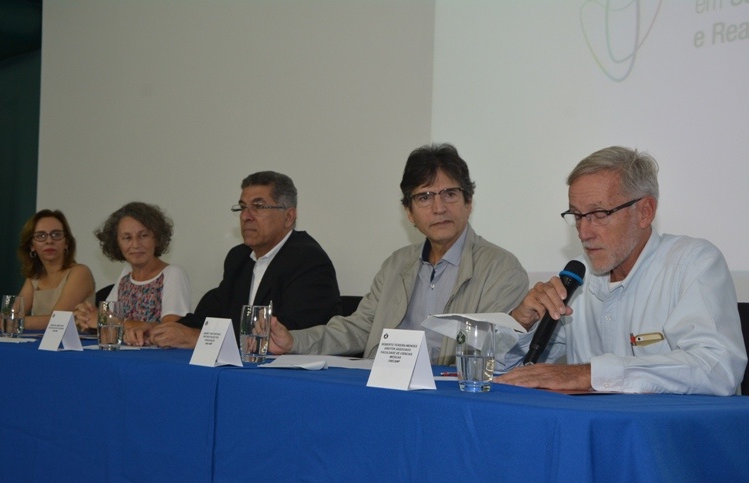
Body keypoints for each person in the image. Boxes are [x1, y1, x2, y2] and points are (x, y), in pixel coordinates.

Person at [496, 146, 747, 396]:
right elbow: (507, 376)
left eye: (598, 214)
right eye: (577, 215)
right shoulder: (576, 277)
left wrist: (590, 374)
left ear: (645, 212)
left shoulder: (693, 263)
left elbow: (718, 368)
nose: (584, 232)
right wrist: (520, 323)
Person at [269, 143, 529, 364]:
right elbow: (359, 328)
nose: (439, 208)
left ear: (468, 203)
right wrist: (294, 341)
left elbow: (489, 354)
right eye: (425, 197)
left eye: (450, 194)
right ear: (409, 212)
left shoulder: (502, 269)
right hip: (386, 390)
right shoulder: (396, 264)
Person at [126, 171, 341, 348]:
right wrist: (157, 328)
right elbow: (212, 314)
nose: (246, 216)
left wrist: (197, 338)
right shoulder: (239, 258)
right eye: (242, 207)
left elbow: (285, 331)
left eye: (258, 206)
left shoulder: (309, 261)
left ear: (288, 216)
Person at [73, 202, 191, 332]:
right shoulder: (126, 273)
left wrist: (106, 320)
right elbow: (103, 320)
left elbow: (170, 331)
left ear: (156, 239)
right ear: (117, 243)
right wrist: (86, 316)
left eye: (143, 236)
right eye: (127, 237)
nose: (135, 244)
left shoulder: (173, 273)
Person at [0, 209, 95, 331]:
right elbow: (12, 314)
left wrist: (2, 322)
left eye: (56, 234)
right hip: (41, 344)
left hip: (74, 347)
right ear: (32, 246)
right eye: (41, 236)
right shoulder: (34, 277)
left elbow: (57, 320)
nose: (49, 241)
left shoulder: (80, 272)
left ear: (66, 243)